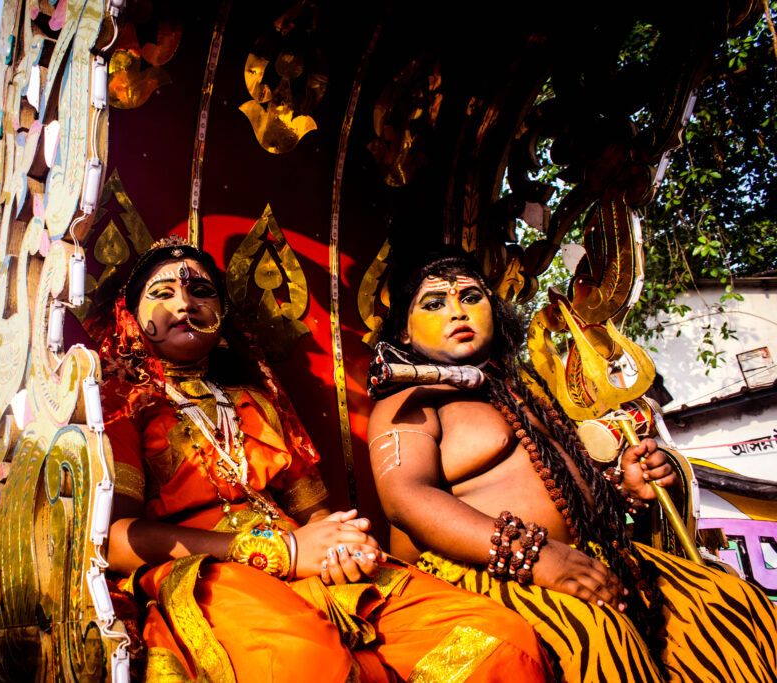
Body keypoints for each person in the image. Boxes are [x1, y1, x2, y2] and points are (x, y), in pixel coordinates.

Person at [99, 235, 550, 683]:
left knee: (500, 639)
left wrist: (339, 547)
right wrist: (282, 552)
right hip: (210, 575)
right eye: (162, 293)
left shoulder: (258, 400)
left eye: (201, 292)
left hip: (309, 568)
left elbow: (315, 514)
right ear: (131, 316)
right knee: (307, 663)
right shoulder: (123, 402)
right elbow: (117, 542)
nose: (184, 304)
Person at [366, 246, 777, 682]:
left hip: (600, 559)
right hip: (492, 574)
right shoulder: (408, 400)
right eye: (434, 304)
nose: (457, 312)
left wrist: (625, 484)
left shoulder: (527, 390)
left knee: (724, 600)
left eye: (471, 297)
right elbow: (406, 500)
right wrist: (537, 556)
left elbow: (566, 483)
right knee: (600, 638)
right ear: (405, 335)